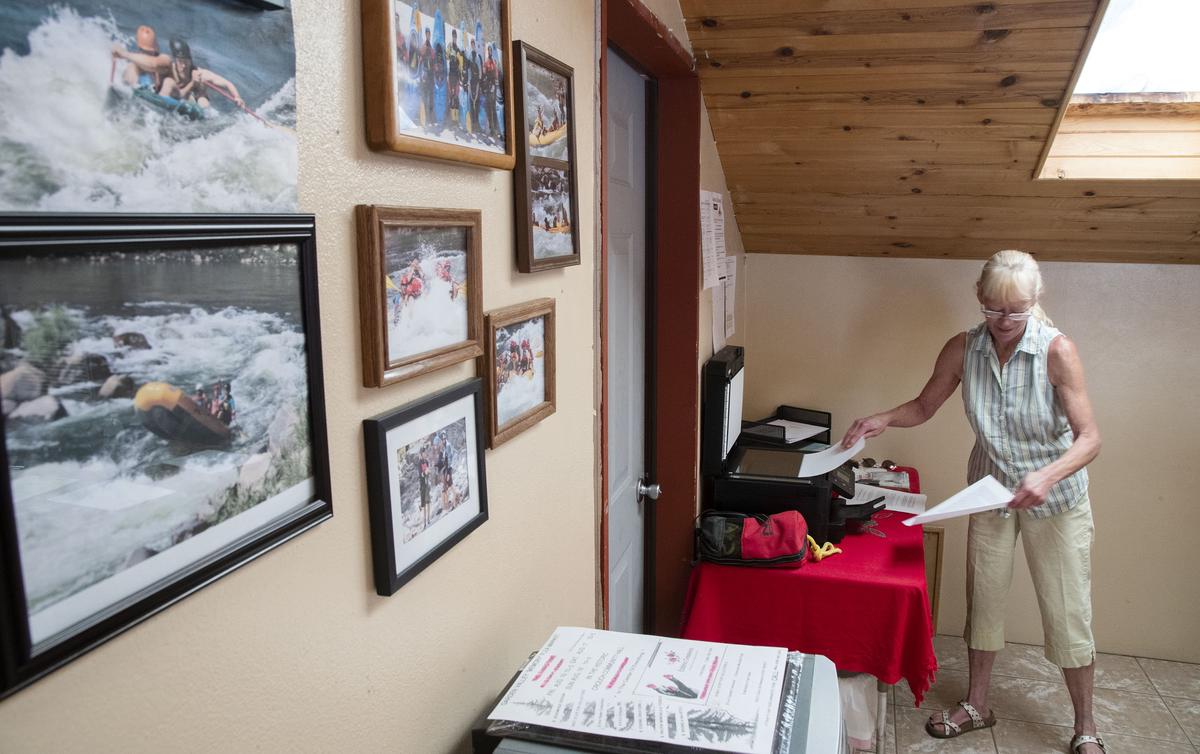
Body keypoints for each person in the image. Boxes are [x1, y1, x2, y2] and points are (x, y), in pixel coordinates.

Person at [840, 250, 1104, 754]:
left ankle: (1086, 725)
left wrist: (1046, 476)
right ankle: (978, 705)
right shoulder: (963, 348)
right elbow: (923, 405)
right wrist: (883, 419)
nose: (1005, 321)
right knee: (984, 601)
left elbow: (1089, 438)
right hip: (990, 492)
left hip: (1056, 498)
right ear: (980, 299)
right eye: (995, 309)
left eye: (1017, 310)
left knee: (1068, 614)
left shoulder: (1057, 351)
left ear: (1034, 302)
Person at [159, 38, 244, 110]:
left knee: (203, 102)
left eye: (186, 62)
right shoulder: (169, 70)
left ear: (190, 61)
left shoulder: (201, 74)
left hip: (196, 102)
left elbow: (227, 84)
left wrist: (237, 97)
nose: (184, 66)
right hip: (177, 97)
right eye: (180, 62)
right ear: (175, 60)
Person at [111, 25, 169, 90]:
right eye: (143, 51)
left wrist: (124, 54)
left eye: (149, 52)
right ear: (139, 49)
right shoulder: (133, 67)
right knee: (132, 68)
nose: (146, 55)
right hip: (137, 86)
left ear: (155, 50)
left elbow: (154, 64)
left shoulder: (164, 60)